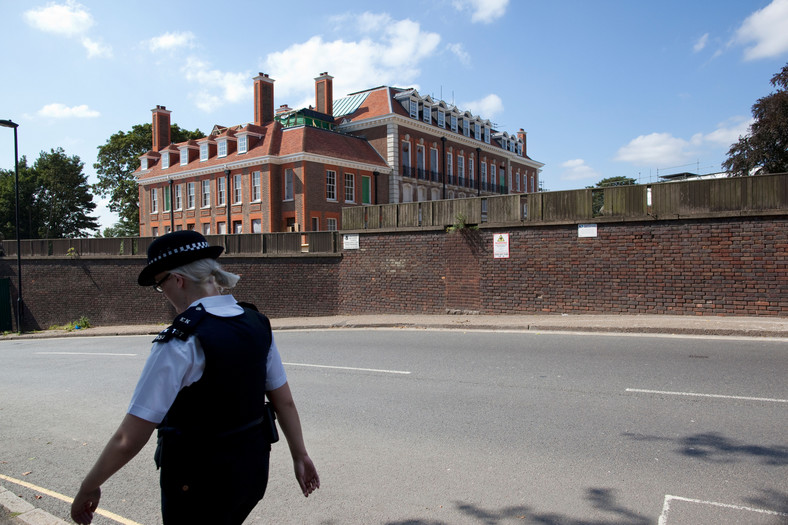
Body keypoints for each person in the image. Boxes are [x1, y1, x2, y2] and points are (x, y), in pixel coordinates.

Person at [71, 230, 319, 525]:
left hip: (197, 486)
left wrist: (89, 485)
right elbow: (284, 402)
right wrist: (299, 455)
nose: (161, 292)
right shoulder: (256, 323)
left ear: (178, 280)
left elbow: (129, 437)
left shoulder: (181, 341)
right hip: (251, 475)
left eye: (159, 283)